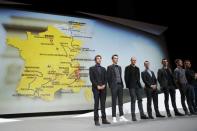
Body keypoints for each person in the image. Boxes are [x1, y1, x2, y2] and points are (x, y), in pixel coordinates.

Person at [124, 57, 148, 121]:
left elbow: (138, 78)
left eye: (135, 60)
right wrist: (128, 86)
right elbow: (126, 77)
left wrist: (140, 86)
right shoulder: (127, 68)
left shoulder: (137, 68)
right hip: (131, 86)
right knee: (133, 100)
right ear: (131, 61)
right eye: (133, 60)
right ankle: (133, 116)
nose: (134, 61)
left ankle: (142, 115)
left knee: (140, 100)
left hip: (137, 86)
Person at [89, 55, 110, 126]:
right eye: (98, 59)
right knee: (96, 104)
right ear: (95, 60)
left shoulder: (104, 69)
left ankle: (104, 119)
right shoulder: (91, 68)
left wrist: (104, 85)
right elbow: (92, 79)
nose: (99, 60)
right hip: (96, 89)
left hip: (103, 89)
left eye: (100, 59)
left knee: (103, 104)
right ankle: (96, 120)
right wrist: (97, 86)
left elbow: (106, 78)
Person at [107, 54, 128, 123]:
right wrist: (111, 86)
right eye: (115, 58)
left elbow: (120, 77)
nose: (116, 59)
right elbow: (108, 78)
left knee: (120, 102)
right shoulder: (109, 67)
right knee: (114, 102)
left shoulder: (119, 67)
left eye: (117, 58)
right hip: (114, 86)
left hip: (120, 86)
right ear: (112, 59)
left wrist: (122, 85)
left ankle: (121, 116)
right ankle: (114, 117)